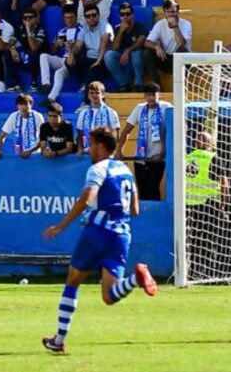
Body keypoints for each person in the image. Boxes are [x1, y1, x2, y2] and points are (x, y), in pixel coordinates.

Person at [41, 126, 157, 353]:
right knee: (109, 296)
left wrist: (61, 226)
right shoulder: (125, 169)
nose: (89, 150)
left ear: (101, 146)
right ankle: (136, 279)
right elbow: (134, 209)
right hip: (122, 234)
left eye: (91, 145)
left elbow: (87, 198)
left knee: (73, 280)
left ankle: (60, 339)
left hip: (98, 232)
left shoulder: (98, 169)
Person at [116, 82, 171, 200]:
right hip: (141, 158)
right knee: (142, 191)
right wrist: (119, 150)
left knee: (153, 189)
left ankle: (154, 217)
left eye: (153, 95)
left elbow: (170, 133)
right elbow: (126, 131)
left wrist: (162, 154)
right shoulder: (139, 108)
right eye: (148, 95)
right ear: (144, 96)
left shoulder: (167, 108)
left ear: (159, 95)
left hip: (157, 159)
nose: (151, 98)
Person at [185, 131, 229, 279]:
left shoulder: (188, 158)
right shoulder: (213, 158)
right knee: (211, 241)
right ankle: (209, 274)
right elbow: (224, 183)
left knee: (194, 241)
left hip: (190, 204)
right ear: (209, 143)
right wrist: (223, 204)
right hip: (209, 204)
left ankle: (193, 272)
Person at [39, 4, 82, 106]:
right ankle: (46, 84)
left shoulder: (81, 30)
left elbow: (83, 50)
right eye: (66, 18)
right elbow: (53, 51)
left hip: (73, 62)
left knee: (59, 73)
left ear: (76, 17)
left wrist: (72, 47)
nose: (69, 20)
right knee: (43, 56)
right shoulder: (61, 31)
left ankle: (51, 98)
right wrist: (56, 45)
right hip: (61, 58)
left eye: (71, 17)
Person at [143, 0, 192, 89]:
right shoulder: (160, 24)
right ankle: (157, 88)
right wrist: (156, 46)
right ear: (165, 13)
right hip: (165, 58)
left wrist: (175, 27)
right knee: (147, 53)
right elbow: (147, 42)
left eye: (173, 11)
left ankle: (181, 88)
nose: (170, 14)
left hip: (182, 60)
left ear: (177, 12)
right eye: (168, 12)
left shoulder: (186, 24)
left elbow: (181, 43)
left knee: (182, 50)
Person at [66, 3, 113, 93]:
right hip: (89, 59)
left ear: (98, 15)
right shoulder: (84, 29)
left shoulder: (105, 26)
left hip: (102, 60)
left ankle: (86, 100)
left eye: (94, 15)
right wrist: (71, 54)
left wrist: (98, 62)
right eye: (88, 16)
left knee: (93, 71)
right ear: (85, 18)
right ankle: (84, 81)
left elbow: (104, 42)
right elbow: (77, 46)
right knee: (69, 62)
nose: (91, 18)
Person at [103, 2, 147, 92]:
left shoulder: (140, 27)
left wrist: (128, 51)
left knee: (136, 52)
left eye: (127, 14)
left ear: (132, 15)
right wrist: (121, 31)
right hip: (124, 60)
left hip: (138, 60)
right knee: (108, 55)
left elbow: (140, 42)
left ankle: (139, 84)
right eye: (122, 14)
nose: (125, 17)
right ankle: (123, 84)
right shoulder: (118, 29)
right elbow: (114, 47)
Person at [6, 8, 47, 93]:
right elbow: (9, 44)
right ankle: (13, 84)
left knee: (34, 54)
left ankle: (34, 83)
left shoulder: (40, 30)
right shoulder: (19, 29)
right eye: (25, 18)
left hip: (36, 61)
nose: (27, 20)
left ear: (35, 19)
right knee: (7, 53)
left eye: (30, 17)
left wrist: (28, 31)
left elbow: (34, 47)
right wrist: (12, 49)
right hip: (22, 57)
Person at [0, 93, 44, 159]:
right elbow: (2, 136)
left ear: (31, 105)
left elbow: (43, 138)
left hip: (34, 155)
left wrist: (30, 151)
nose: (23, 107)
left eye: (25, 104)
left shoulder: (38, 116)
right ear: (17, 106)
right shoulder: (13, 116)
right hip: (18, 155)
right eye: (20, 104)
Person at [76, 81, 120, 155]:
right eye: (91, 93)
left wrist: (111, 151)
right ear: (88, 95)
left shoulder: (111, 112)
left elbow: (116, 134)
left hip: (104, 153)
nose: (94, 95)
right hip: (87, 153)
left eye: (97, 93)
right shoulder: (83, 113)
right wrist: (80, 148)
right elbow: (80, 132)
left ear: (103, 94)